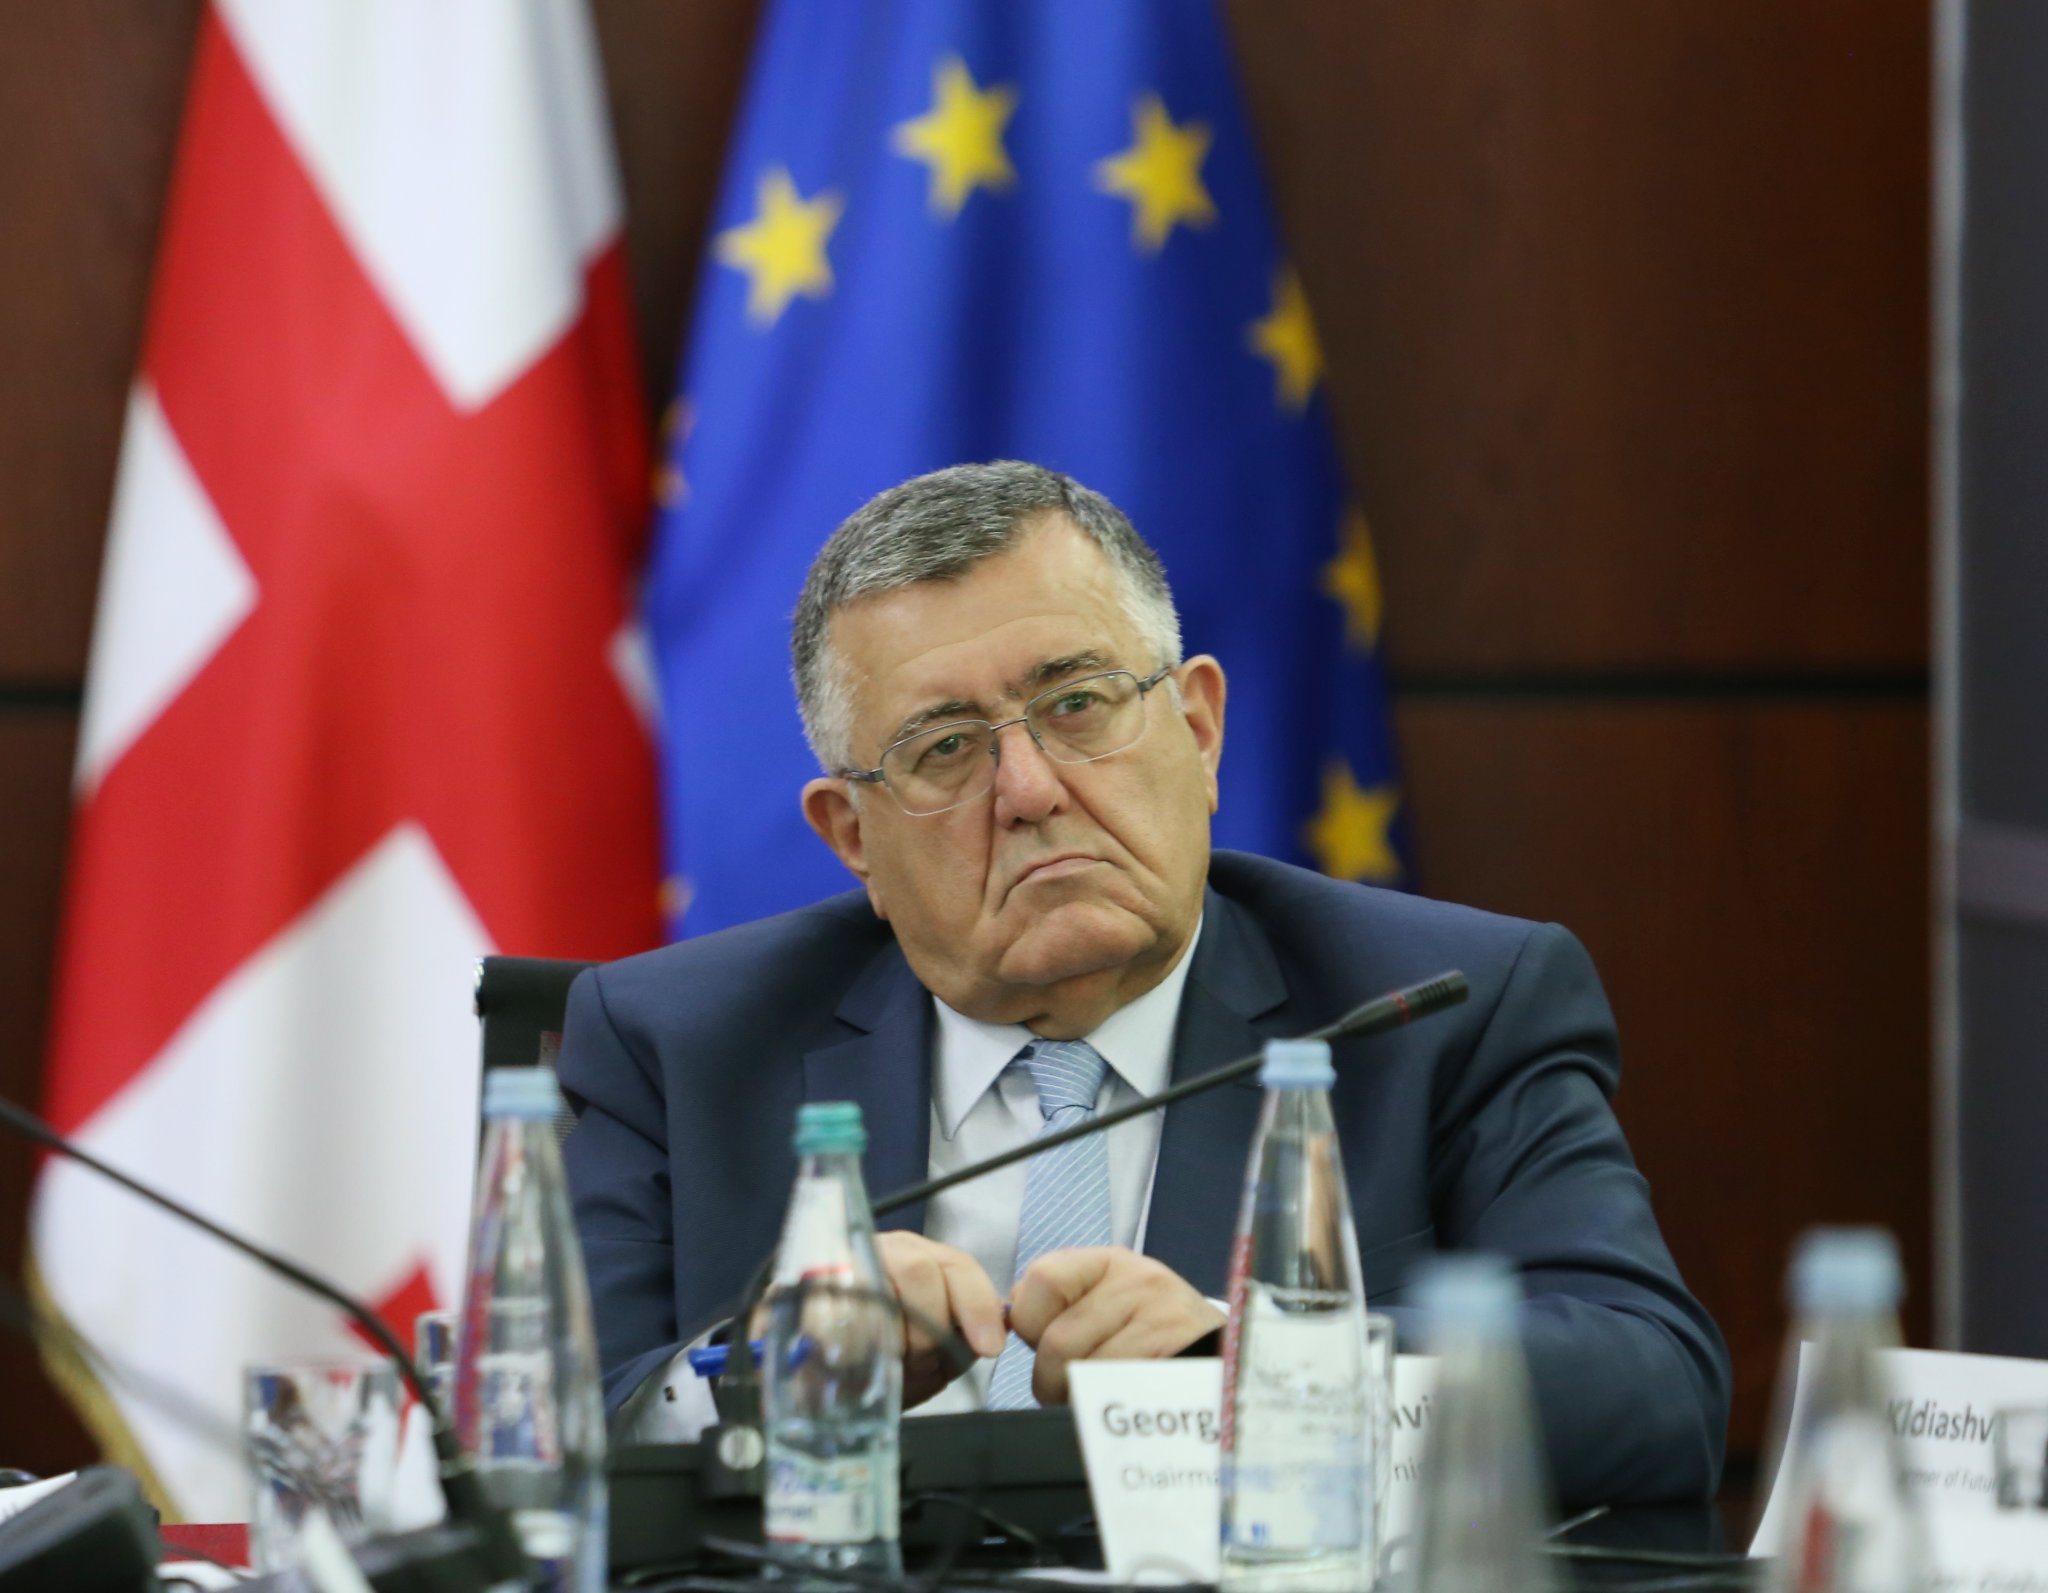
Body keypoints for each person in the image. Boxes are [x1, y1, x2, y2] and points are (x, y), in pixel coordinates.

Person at [558, 461, 1731, 1503]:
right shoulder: (675, 1046)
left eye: (1075, 705)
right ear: (852, 836)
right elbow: (545, 1442)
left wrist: (1255, 1369)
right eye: (945, 748)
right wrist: (762, 1375)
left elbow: (1651, 1390)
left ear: (1199, 730)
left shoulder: (1442, 1006)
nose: (1028, 791)